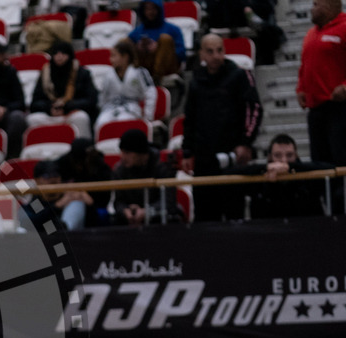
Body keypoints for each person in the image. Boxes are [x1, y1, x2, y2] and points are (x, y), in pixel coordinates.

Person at [180, 34, 263, 223]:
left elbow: (254, 109)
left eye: (220, 50)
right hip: (203, 159)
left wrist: (245, 143)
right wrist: (187, 151)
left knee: (234, 214)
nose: (216, 55)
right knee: (205, 217)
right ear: (202, 54)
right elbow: (189, 118)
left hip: (232, 155)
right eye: (210, 51)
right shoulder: (195, 82)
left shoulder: (239, 75)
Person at [232, 134, 334, 220]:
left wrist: (291, 167)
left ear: (296, 156)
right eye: (277, 155)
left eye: (289, 155)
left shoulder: (308, 174)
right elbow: (230, 173)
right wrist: (265, 168)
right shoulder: (259, 176)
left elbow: (331, 168)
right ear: (270, 157)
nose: (283, 161)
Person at [297, 0, 346, 167]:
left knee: (340, 158)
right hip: (316, 109)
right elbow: (305, 65)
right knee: (318, 161)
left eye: (316, 5)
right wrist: (301, 88)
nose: (311, 9)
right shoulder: (311, 33)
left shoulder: (344, 27)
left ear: (331, 7)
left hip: (339, 107)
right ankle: (324, 193)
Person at [27, 40, 98, 140]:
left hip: (71, 112)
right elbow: (35, 103)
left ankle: (84, 149)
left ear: (69, 55)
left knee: (81, 118)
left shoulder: (82, 73)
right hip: (50, 114)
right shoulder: (45, 74)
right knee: (33, 119)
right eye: (56, 53)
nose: (59, 56)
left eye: (63, 53)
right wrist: (49, 108)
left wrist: (68, 106)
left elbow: (91, 100)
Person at [112, 128, 182, 226]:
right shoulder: (120, 170)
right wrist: (125, 210)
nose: (122, 157)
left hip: (157, 220)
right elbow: (118, 201)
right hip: (130, 220)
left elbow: (169, 201)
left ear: (141, 154)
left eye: (127, 153)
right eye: (122, 152)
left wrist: (147, 211)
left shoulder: (162, 166)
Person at [95, 38, 157, 135]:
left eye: (114, 56)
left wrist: (148, 117)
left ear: (125, 57)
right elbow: (103, 96)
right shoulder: (108, 75)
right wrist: (102, 110)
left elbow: (151, 93)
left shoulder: (140, 72)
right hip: (111, 108)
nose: (111, 60)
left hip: (131, 108)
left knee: (124, 122)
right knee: (101, 123)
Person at [55, 138, 113, 228]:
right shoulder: (62, 164)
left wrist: (84, 196)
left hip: (93, 209)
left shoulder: (101, 168)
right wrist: (66, 195)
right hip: (64, 206)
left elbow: (105, 199)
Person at [127, 0, 185, 85]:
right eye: (147, 9)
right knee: (125, 42)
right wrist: (137, 47)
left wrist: (160, 48)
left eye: (153, 8)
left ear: (159, 9)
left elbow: (182, 54)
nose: (150, 12)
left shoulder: (173, 29)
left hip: (167, 67)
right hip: (145, 65)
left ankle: (156, 79)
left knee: (165, 39)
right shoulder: (139, 30)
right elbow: (125, 46)